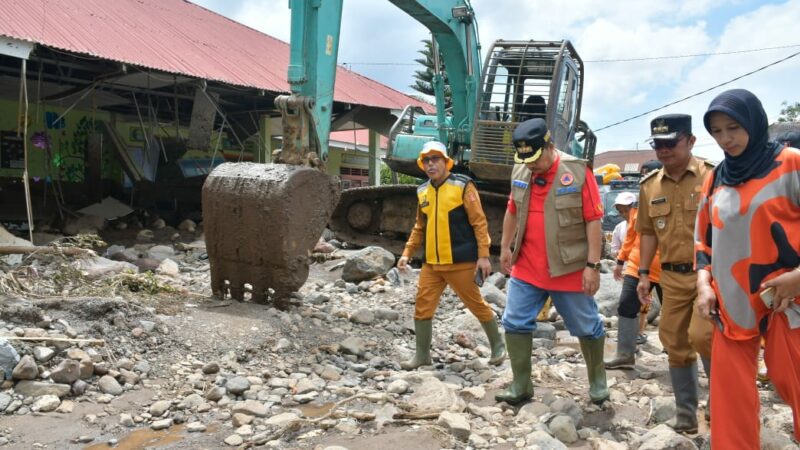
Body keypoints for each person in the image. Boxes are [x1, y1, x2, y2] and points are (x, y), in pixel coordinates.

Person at [694, 89, 800, 448]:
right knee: (730, 397)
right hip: (731, 302)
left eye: (734, 127)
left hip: (787, 300)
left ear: (755, 122)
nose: (726, 139)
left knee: (792, 380)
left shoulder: (791, 164)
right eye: (718, 132)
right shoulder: (717, 177)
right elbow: (704, 240)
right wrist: (704, 284)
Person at [495, 118, 608, 405]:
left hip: (568, 268)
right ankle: (521, 384)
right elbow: (511, 209)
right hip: (527, 266)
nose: (530, 165)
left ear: (550, 146)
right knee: (515, 322)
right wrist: (505, 247)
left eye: (535, 158)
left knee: (587, 326)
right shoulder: (521, 169)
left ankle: (597, 380)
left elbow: (594, 220)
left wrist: (592, 266)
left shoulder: (577, 172)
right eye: (525, 158)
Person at [396, 141, 506, 370]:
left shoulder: (463, 185)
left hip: (460, 262)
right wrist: (407, 252)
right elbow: (419, 226)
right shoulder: (422, 191)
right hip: (432, 265)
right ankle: (422, 355)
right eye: (426, 160)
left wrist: (484, 256)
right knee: (422, 307)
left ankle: (498, 347)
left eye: (435, 159)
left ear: (446, 162)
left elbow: (479, 222)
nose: (430, 164)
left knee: (475, 304)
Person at [636, 113, 714, 433]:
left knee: (704, 336)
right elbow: (648, 232)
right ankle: (686, 413)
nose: (664, 150)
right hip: (671, 276)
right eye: (658, 144)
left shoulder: (713, 176)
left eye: (671, 142)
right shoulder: (649, 187)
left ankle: (721, 403)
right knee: (674, 343)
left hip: (709, 275)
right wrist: (643, 273)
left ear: (691, 141)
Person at [605, 191, 663, 369]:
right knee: (626, 305)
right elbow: (630, 238)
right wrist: (621, 261)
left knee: (674, 311)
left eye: (624, 209)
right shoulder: (637, 213)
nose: (623, 214)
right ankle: (625, 354)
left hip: (668, 267)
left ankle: (680, 354)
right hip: (638, 265)